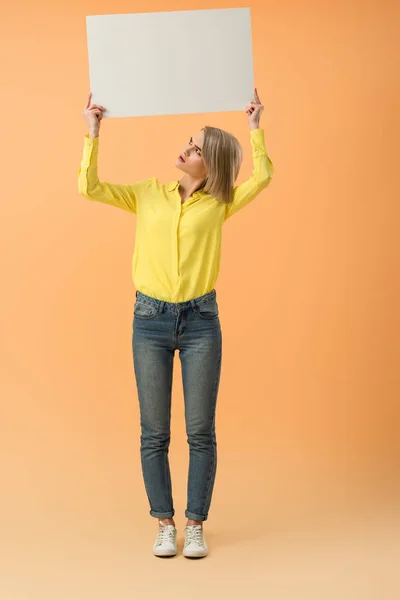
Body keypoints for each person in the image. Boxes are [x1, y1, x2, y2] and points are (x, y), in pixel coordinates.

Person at [78, 88, 274, 558]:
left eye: (197, 149)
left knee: (200, 430)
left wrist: (255, 128)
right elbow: (90, 187)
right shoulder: (149, 193)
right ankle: (164, 523)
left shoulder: (221, 203)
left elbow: (263, 175)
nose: (185, 149)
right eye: (189, 141)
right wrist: (93, 133)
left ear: (212, 166)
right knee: (154, 431)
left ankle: (196, 523)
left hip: (202, 320)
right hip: (149, 319)